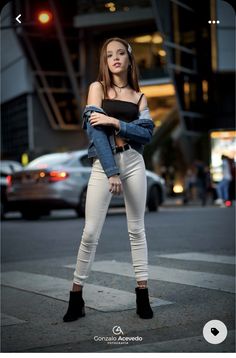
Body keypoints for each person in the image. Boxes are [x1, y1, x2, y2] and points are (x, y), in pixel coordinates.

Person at [63, 37, 155, 322]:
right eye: (109, 54)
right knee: (90, 232)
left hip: (134, 162)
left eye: (120, 53)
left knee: (136, 230)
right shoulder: (97, 88)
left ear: (129, 59)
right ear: (105, 61)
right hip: (105, 167)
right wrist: (112, 171)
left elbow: (147, 134)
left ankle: (142, 294)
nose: (114, 58)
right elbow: (95, 133)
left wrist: (115, 122)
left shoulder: (139, 96)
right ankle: (76, 298)